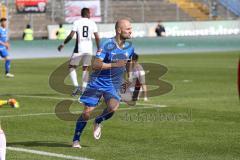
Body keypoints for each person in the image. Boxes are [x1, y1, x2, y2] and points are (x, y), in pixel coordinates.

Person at [72, 18, 134, 148]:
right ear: (119, 30)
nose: (130, 31)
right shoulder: (107, 44)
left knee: (112, 108)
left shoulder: (130, 47)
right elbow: (96, 64)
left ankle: (98, 121)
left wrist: (129, 78)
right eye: (128, 29)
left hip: (112, 84)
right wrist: (115, 64)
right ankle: (76, 140)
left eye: (130, 29)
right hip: (97, 82)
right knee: (87, 112)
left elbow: (129, 62)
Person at [58, 8, 100, 96]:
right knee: (86, 68)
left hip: (79, 48)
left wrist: (63, 44)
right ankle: (84, 89)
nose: (90, 15)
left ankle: (76, 87)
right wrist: (99, 48)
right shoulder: (92, 23)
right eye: (89, 13)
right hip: (89, 48)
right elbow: (96, 37)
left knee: (71, 66)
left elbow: (71, 35)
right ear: (87, 13)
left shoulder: (77, 22)